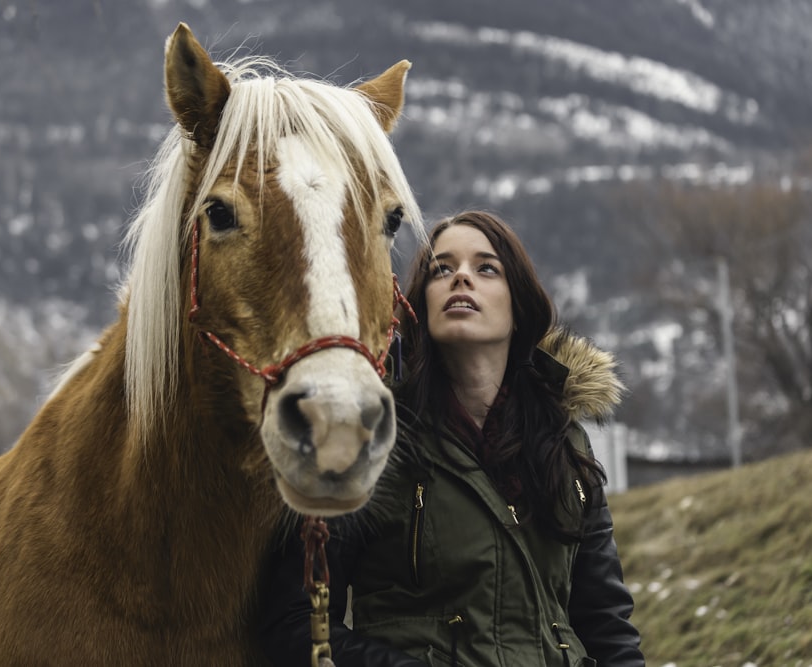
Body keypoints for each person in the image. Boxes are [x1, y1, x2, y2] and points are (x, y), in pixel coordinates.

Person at [259, 210, 644, 666]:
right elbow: (297, 622)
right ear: (418, 304)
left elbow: (607, 626)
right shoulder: (369, 437)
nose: (461, 277)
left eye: (486, 268)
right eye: (442, 268)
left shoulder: (564, 444)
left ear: (518, 307)